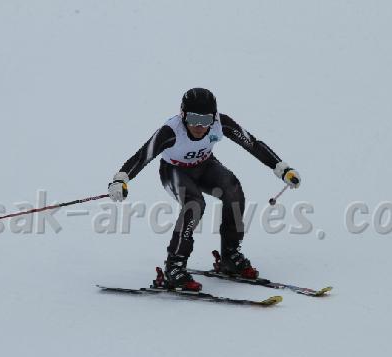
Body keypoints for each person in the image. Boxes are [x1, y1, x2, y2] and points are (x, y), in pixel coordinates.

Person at [107, 88, 301, 292]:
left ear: (214, 117)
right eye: (193, 118)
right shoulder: (171, 131)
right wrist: (120, 180)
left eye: (206, 120)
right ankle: (174, 266)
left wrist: (282, 169)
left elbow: (252, 144)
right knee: (194, 204)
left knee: (233, 190)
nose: (199, 126)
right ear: (183, 115)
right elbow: (142, 156)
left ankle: (230, 256)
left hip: (205, 166)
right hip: (174, 171)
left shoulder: (221, 123)